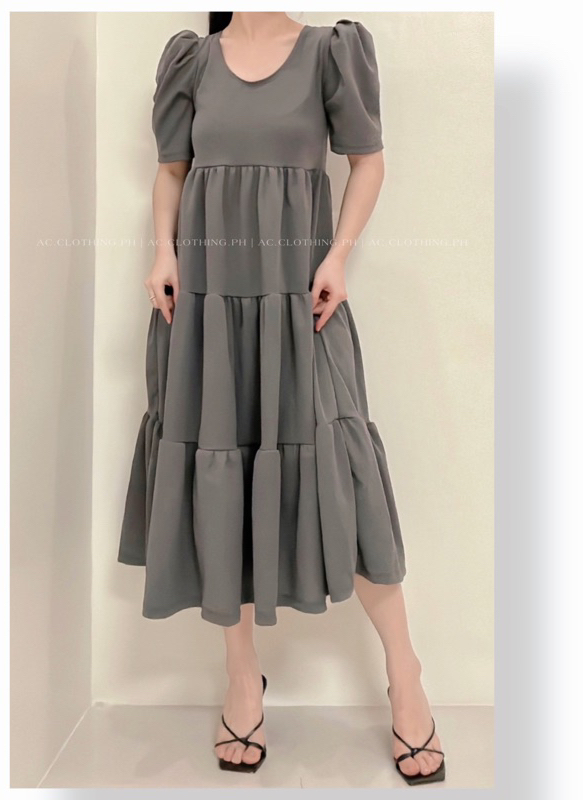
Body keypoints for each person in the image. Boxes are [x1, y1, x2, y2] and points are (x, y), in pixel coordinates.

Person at [118, 11, 445, 785]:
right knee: (220, 474)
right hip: (204, 303)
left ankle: (405, 671)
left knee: (344, 474)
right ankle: (242, 677)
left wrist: (338, 258)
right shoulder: (193, 61)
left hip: (303, 300)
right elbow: (172, 171)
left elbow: (368, 162)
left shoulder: (331, 52)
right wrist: (163, 253)